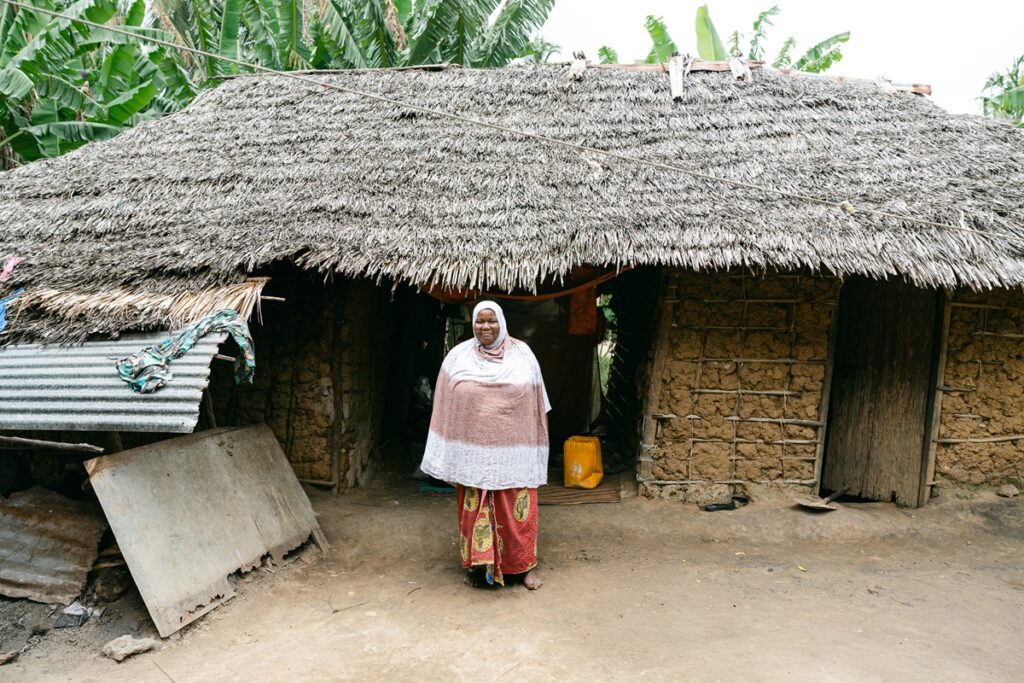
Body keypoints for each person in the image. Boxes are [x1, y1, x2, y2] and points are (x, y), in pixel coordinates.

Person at [420, 300, 551, 589]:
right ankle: (479, 570)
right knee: (473, 512)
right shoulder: (457, 357)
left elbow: (536, 406)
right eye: (480, 321)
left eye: (491, 321)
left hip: (515, 454)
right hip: (472, 454)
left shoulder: (523, 355)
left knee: (518, 514)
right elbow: (444, 405)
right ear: (473, 324)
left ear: (501, 322)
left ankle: (525, 568)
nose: (485, 327)